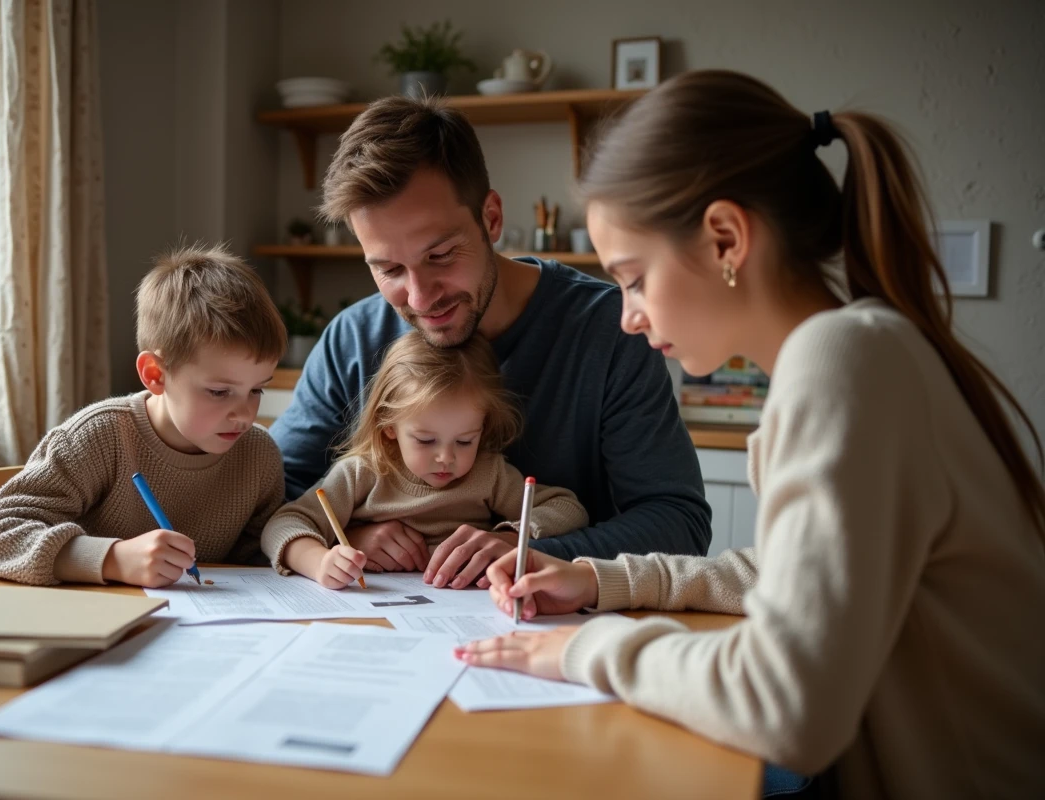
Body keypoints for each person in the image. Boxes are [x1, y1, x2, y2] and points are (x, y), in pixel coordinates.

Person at [458, 70, 1045, 798]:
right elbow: (784, 574)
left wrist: (585, 647)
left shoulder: (843, 364)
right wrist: (600, 580)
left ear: (726, 239)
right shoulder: (857, 349)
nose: (627, 316)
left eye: (635, 279)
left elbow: (785, 706)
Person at [269, 95, 711, 590]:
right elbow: (268, 504)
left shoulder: (609, 331)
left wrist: (525, 549)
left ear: (492, 218)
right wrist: (344, 536)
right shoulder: (353, 339)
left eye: (440, 255)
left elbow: (680, 524)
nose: (419, 297)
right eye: (389, 269)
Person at [0, 244, 288, 588]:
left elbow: (261, 550)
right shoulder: (97, 438)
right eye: (220, 392)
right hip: (92, 627)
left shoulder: (258, 455)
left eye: (257, 390)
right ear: (155, 374)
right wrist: (112, 559)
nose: (244, 414)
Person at [262, 331, 588, 589]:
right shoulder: (364, 472)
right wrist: (320, 561)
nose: (446, 457)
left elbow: (568, 508)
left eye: (464, 440)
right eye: (425, 440)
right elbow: (283, 524)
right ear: (389, 425)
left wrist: (508, 536)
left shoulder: (489, 473)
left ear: (483, 427)